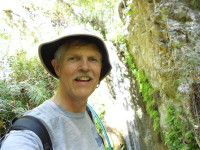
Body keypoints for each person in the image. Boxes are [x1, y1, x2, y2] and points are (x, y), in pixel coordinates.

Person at [1, 27, 112, 150]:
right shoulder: (31, 133)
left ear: (100, 69)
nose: (85, 67)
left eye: (93, 59)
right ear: (57, 67)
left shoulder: (87, 113)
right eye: (73, 58)